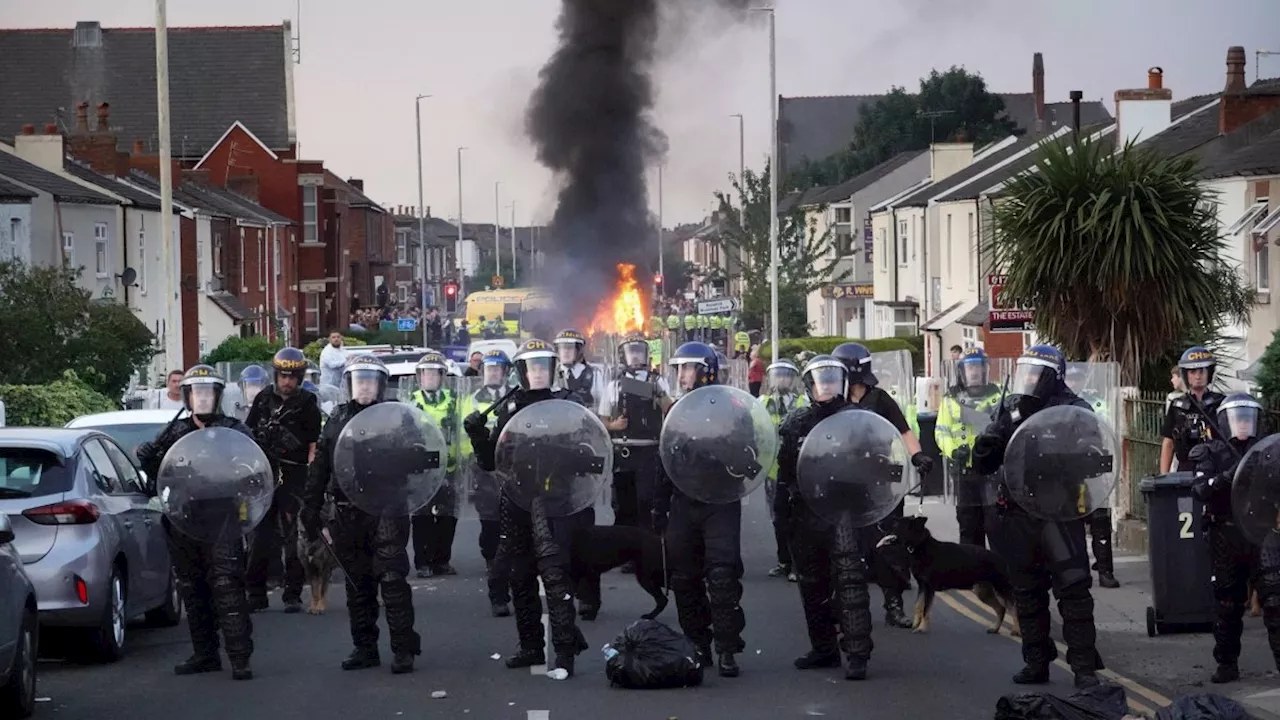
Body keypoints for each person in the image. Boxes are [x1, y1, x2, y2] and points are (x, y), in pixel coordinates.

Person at [972, 344, 1103, 689]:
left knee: (1074, 590)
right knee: (1027, 591)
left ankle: (1084, 668)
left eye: (1035, 373)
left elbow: (1095, 455)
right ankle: (1036, 661)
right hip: (1018, 512)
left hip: (1059, 512)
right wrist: (989, 441)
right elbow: (984, 462)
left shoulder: (1074, 409)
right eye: (1024, 372)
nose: (1027, 379)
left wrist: (1061, 456)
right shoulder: (1010, 409)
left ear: (1051, 376)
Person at [464, 339, 591, 676]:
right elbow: (491, 460)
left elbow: (586, 451)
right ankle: (531, 646)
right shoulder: (509, 407)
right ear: (521, 371)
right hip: (517, 499)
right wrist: (478, 434)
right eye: (531, 366)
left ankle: (564, 653)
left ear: (552, 369)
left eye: (542, 366)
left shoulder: (568, 403)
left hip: (556, 500)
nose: (537, 372)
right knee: (520, 576)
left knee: (555, 576)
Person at [301, 355, 422, 674]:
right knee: (358, 582)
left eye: (371, 380)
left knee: (392, 577)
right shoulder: (338, 418)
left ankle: (402, 648)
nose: (365, 385)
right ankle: (365, 647)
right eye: (360, 380)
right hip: (347, 510)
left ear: (381, 386)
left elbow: (421, 456)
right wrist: (311, 506)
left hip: (387, 507)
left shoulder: (398, 417)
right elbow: (321, 466)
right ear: (350, 384)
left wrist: (410, 455)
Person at [136, 365, 258, 680]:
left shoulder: (236, 431)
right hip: (185, 518)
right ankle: (205, 654)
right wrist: (148, 457)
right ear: (188, 397)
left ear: (217, 396)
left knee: (227, 585)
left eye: (208, 392)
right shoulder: (174, 432)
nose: (203, 398)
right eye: (197, 392)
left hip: (224, 518)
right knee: (192, 587)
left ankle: (239, 657)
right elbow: (159, 475)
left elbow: (255, 467)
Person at [775, 354, 880, 680]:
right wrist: (783, 511)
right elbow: (785, 470)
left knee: (849, 580)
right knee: (812, 583)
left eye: (832, 379)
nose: (827, 386)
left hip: (845, 509)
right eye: (821, 380)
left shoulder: (859, 419)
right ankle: (823, 649)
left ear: (843, 382)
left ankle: (858, 654)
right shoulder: (796, 423)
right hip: (806, 510)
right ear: (810, 386)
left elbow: (877, 459)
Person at [652, 342, 747, 678]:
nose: (681, 375)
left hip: (720, 501)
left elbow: (747, 451)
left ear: (706, 370)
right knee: (684, 578)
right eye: (679, 369)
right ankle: (697, 643)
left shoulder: (732, 407)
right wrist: (658, 504)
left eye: (688, 368)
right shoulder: (676, 410)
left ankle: (727, 648)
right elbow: (666, 458)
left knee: (721, 575)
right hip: (683, 502)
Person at [831, 342, 933, 630]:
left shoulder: (880, 400)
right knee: (846, 545)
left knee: (889, 544)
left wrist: (917, 455)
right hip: (844, 481)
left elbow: (903, 431)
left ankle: (893, 605)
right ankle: (842, 604)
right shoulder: (834, 401)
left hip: (879, 480)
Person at [1189, 392, 1280, 683]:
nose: (1243, 424)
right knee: (1228, 603)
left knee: (1275, 599)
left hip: (1261, 532)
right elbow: (1201, 490)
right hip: (1225, 532)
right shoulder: (1210, 452)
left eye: (1248, 418)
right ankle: (1226, 663)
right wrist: (1231, 474)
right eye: (1237, 418)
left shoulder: (1267, 450)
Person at [244, 347, 322, 613]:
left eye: (292, 377)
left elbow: (314, 445)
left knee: (294, 538)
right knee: (259, 535)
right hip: (264, 473)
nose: (286, 382)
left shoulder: (309, 403)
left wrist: (310, 476)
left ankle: (292, 593)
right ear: (275, 375)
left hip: (294, 473)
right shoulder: (263, 399)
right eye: (282, 376)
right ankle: (255, 593)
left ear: (299, 378)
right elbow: (248, 433)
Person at [599, 332, 674, 568]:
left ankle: (648, 554)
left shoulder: (658, 381)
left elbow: (669, 411)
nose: (635, 356)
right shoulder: (615, 385)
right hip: (624, 452)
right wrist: (614, 425)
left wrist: (657, 393)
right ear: (623, 356)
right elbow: (601, 420)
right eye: (631, 352)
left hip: (649, 451)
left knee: (647, 504)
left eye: (639, 351)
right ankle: (625, 555)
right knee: (623, 506)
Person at [462, 349, 515, 616]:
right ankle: (491, 558)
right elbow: (466, 431)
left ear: (506, 372)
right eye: (489, 369)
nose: (493, 373)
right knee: (489, 519)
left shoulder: (515, 397)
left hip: (512, 467)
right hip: (483, 466)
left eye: (498, 368)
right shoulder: (474, 398)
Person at [935, 347, 1001, 550]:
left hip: (992, 470)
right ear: (962, 371)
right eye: (969, 367)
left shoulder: (998, 395)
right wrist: (953, 450)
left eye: (978, 367)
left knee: (996, 523)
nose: (974, 372)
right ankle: (975, 575)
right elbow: (941, 431)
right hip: (964, 469)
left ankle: (1003, 572)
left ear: (985, 370)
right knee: (969, 524)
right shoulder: (950, 398)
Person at [1063, 365, 1120, 589]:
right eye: (1071, 379)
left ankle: (1105, 570)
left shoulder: (1096, 403)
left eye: (1078, 379)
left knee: (1099, 519)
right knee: (1070, 520)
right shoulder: (1059, 403)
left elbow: (1106, 428)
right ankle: (1075, 570)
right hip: (1067, 469)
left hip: (1093, 466)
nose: (1074, 383)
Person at [408, 351, 460, 578]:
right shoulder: (411, 401)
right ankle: (423, 562)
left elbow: (462, 432)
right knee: (422, 517)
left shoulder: (454, 400)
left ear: (441, 376)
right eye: (425, 374)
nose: (428, 378)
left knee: (448, 516)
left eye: (433, 373)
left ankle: (442, 560)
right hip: (422, 470)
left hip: (449, 467)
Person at [762, 360, 808, 581]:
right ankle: (783, 560)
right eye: (776, 375)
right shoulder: (763, 402)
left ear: (792, 379)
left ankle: (797, 563)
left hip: (796, 467)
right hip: (772, 469)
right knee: (777, 518)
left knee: (796, 517)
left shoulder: (802, 402)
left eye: (786, 376)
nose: (781, 380)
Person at [1161, 346, 1226, 474]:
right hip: (1185, 470)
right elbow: (1168, 443)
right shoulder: (1177, 406)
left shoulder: (1222, 403)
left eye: (1202, 371)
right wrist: (1163, 476)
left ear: (1209, 373)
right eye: (1193, 372)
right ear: (1186, 375)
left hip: (1216, 471)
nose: (1198, 376)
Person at [554, 329, 600, 408]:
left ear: (579, 351)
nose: (566, 351)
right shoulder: (551, 374)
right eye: (562, 347)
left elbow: (601, 406)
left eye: (570, 348)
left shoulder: (593, 374)